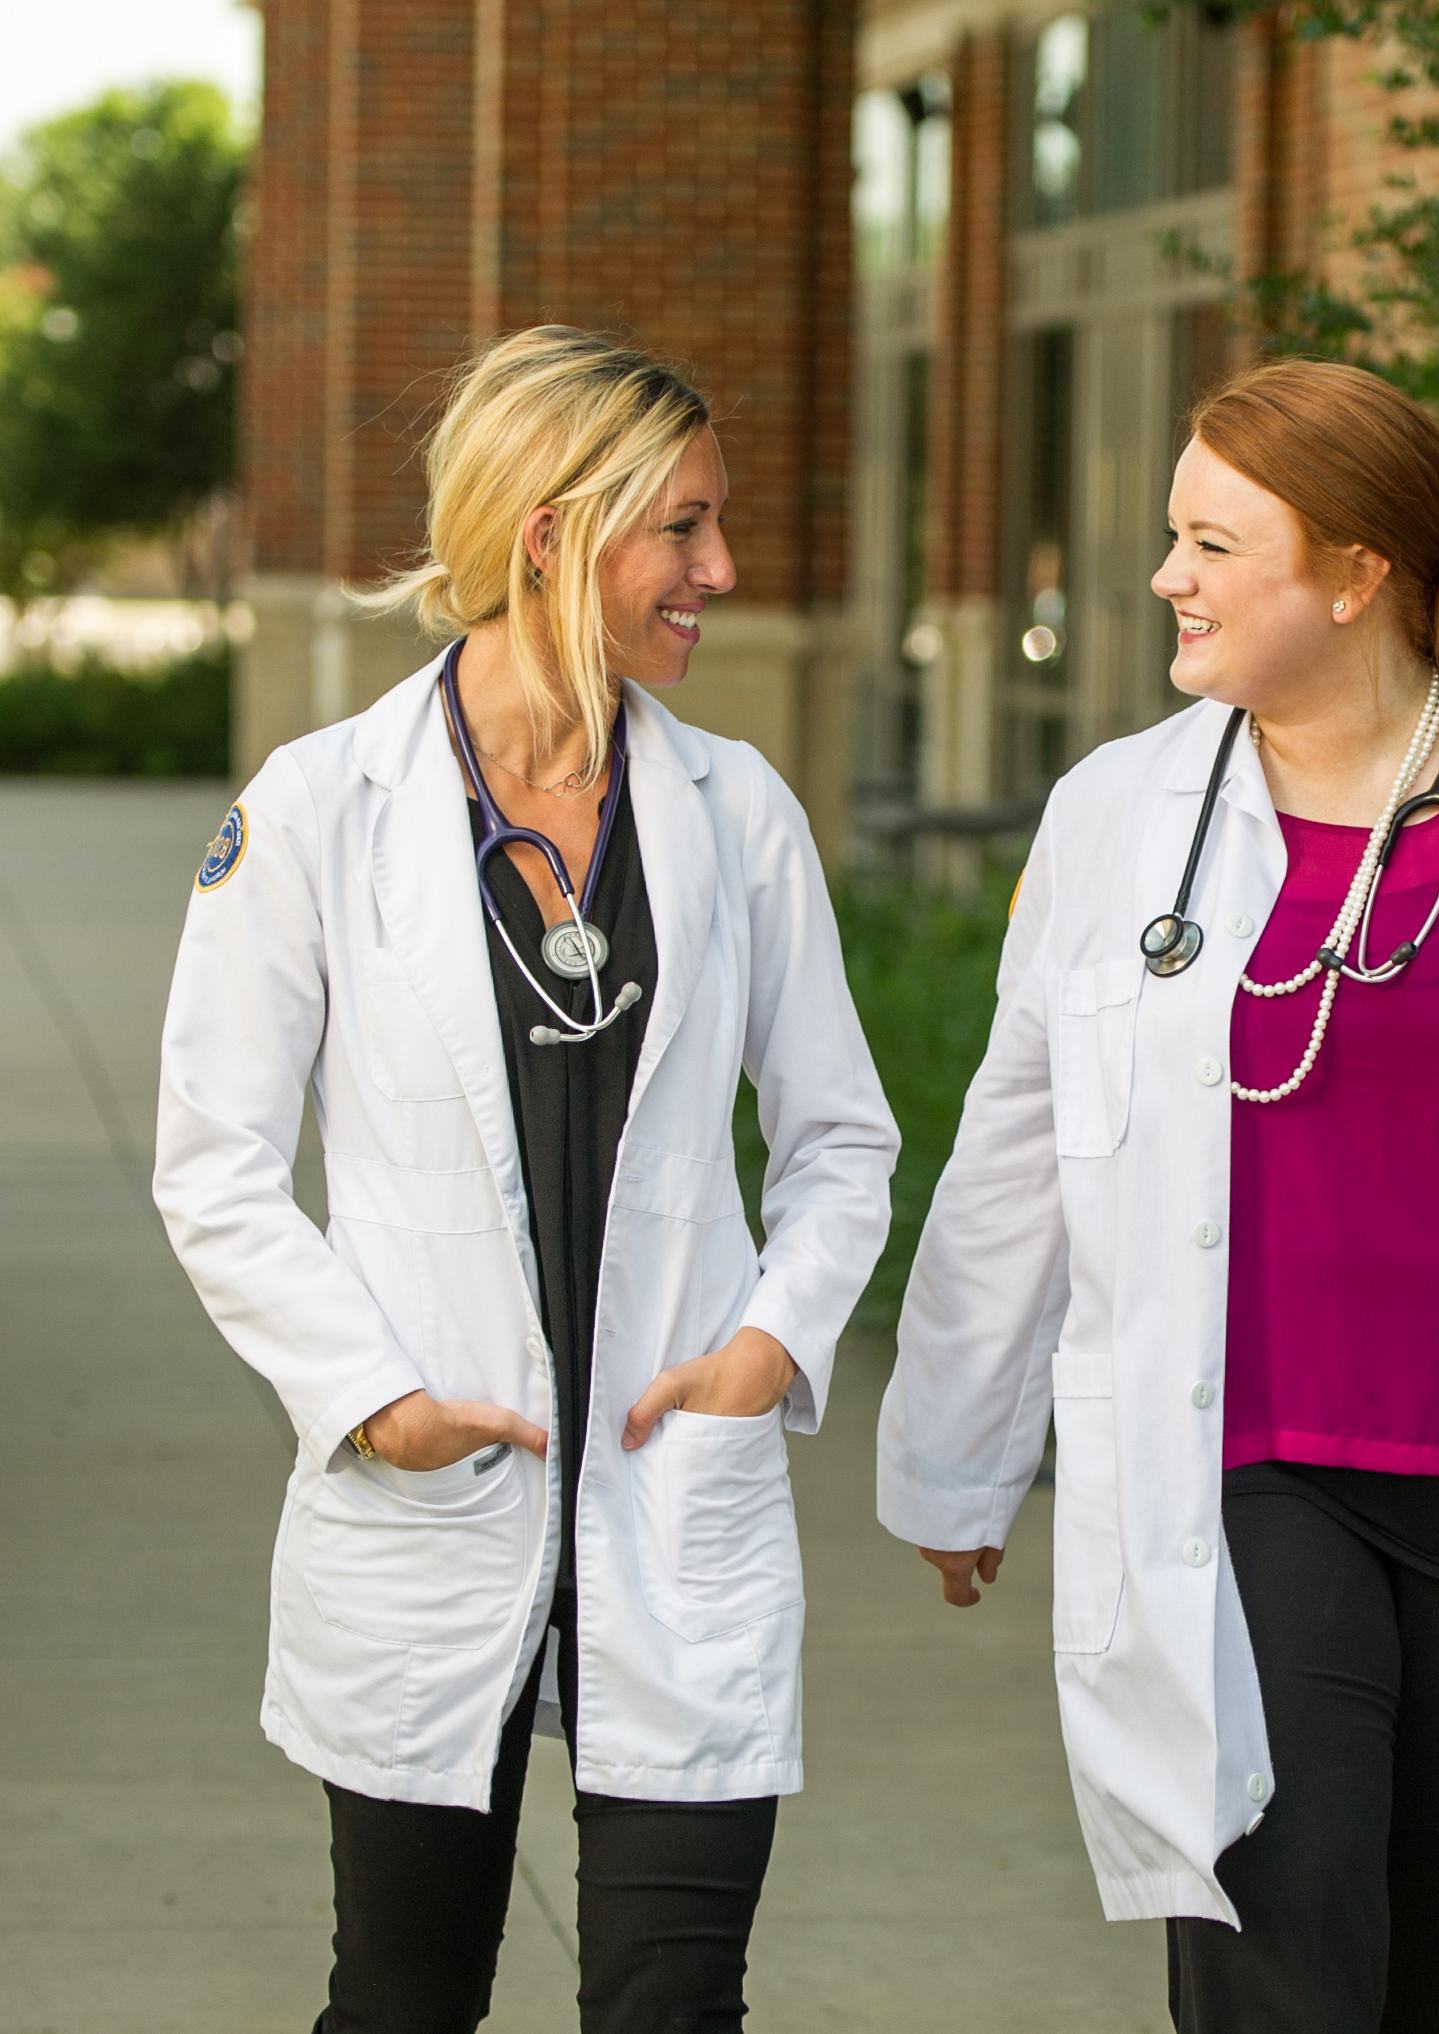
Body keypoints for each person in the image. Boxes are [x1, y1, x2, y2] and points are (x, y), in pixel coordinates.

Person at [877, 359, 1439, 2033]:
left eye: (1213, 544)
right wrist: (957, 1447)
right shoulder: (1118, 816)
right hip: (1247, 1469)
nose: (1166, 579)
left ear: (1355, 571)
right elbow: (1018, 1138)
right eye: (1170, 536)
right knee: (1281, 1930)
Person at [154, 325, 898, 2034]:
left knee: (671, 2004)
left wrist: (771, 1342)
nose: (722, 570)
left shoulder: (732, 808)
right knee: (404, 2002)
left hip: (668, 1476)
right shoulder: (325, 808)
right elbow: (216, 1162)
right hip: (438, 1477)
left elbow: (842, 1135)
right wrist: (372, 1395)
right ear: (555, 533)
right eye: (684, 530)